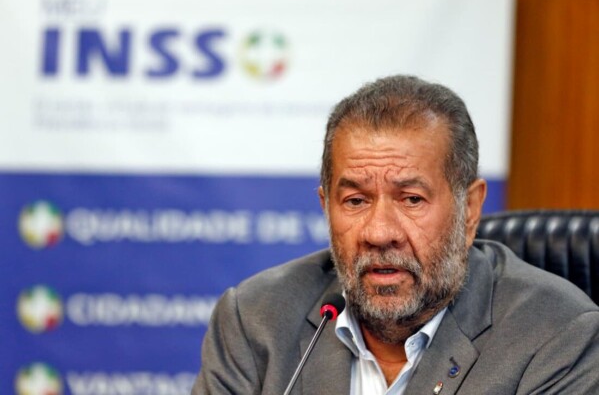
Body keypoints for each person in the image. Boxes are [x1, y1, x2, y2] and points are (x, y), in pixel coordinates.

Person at [192, 75, 599, 394]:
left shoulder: (558, 335)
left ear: (470, 209)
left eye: (411, 199)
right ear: (325, 206)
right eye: (355, 201)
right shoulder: (254, 320)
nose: (379, 232)